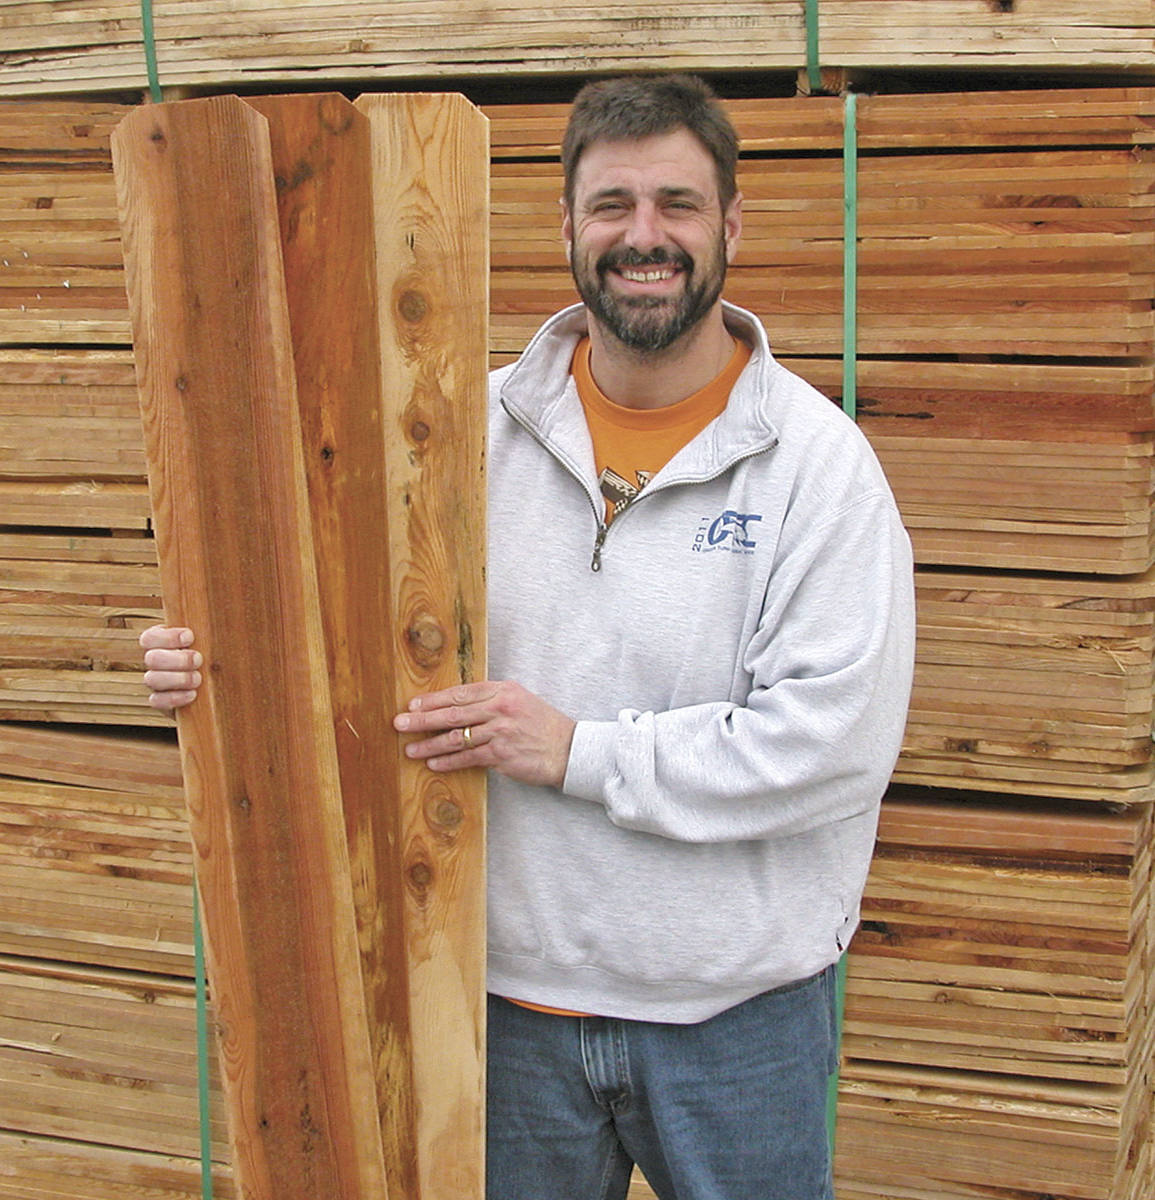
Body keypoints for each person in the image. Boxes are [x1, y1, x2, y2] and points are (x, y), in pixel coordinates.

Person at [142, 73, 914, 1200]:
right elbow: (339, 628)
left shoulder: (819, 469)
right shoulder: (458, 434)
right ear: (564, 227)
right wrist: (214, 664)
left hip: (734, 1019)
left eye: (677, 205)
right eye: (611, 206)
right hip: (497, 1014)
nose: (642, 237)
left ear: (731, 226)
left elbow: (832, 745)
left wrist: (578, 750)